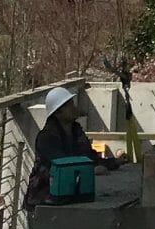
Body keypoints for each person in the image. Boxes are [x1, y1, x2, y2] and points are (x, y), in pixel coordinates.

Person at [23, 83, 120, 215]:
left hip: (69, 195)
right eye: (69, 105)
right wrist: (90, 170)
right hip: (44, 196)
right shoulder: (47, 137)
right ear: (58, 111)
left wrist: (115, 162)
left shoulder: (76, 132)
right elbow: (63, 166)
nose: (73, 108)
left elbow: (89, 157)